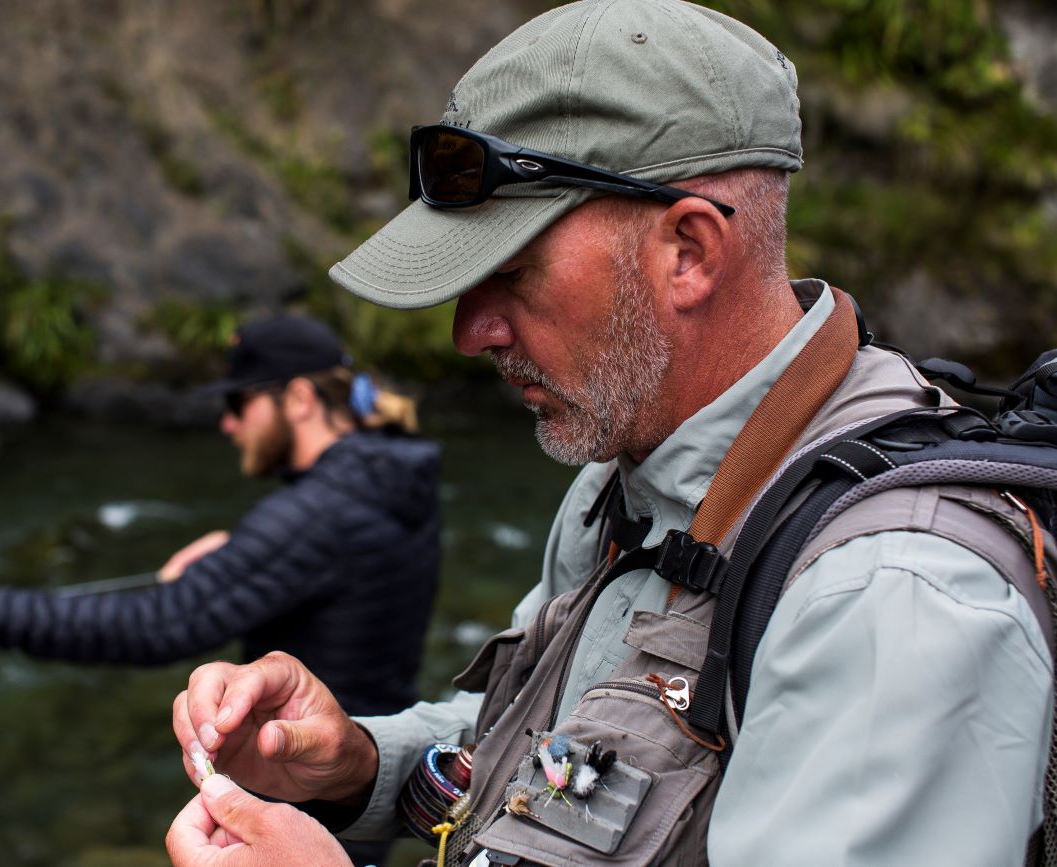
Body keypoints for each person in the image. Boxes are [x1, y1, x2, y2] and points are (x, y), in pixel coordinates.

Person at [164, 2, 1055, 865]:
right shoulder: (624, 480)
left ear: (690, 253)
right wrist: (358, 764)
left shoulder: (891, 604)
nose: (468, 333)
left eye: (510, 275)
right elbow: (545, 758)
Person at [0, 315, 442, 864]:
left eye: (237, 404)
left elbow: (161, 624)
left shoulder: (317, 514)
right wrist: (245, 555)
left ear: (298, 397)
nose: (228, 425)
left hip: (307, 812)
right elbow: (333, 562)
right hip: (363, 793)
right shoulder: (391, 476)